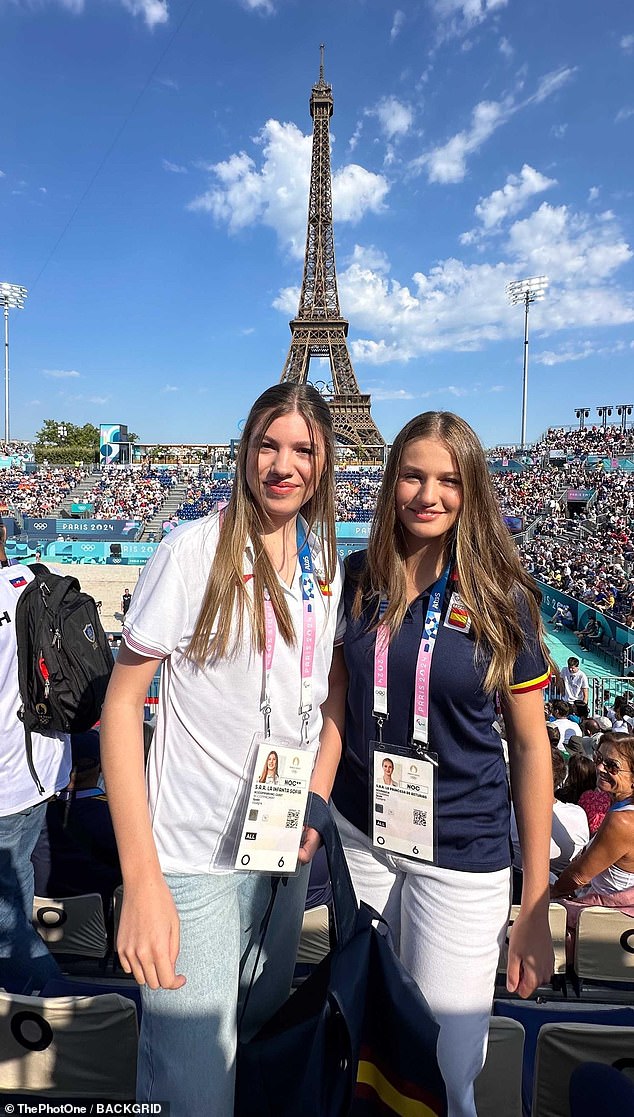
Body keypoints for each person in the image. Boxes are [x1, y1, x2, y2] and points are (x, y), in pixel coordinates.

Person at [99, 384, 346, 1117]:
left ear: (326, 460)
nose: (283, 464)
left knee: (257, 1053)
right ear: (244, 450)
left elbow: (328, 696)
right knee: (195, 1094)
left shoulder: (322, 557)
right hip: (194, 865)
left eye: (303, 449)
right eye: (268, 444)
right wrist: (142, 881)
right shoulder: (190, 554)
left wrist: (318, 800)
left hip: (277, 858)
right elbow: (119, 708)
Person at [330, 411, 554, 1117]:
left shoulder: (500, 597)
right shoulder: (358, 578)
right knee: (360, 1043)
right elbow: (336, 703)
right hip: (362, 838)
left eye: (449, 480)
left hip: (460, 855)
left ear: (472, 490)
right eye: (414, 475)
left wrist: (538, 901)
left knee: (443, 1070)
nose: (429, 493)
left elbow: (529, 746)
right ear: (391, 479)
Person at [0, 561, 72, 993]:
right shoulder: (33, 578)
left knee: (8, 934)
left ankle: (69, 1013)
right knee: (17, 882)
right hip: (43, 770)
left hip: (8, 780)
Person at [31, 729, 122, 920]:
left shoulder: (34, 818)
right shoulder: (115, 819)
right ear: (100, 767)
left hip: (40, 921)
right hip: (97, 925)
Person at [551, 733, 634, 928]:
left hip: (606, 917)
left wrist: (552, 891)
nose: (599, 767)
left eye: (611, 765)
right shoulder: (621, 810)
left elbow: (579, 876)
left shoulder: (621, 821)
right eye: (598, 759)